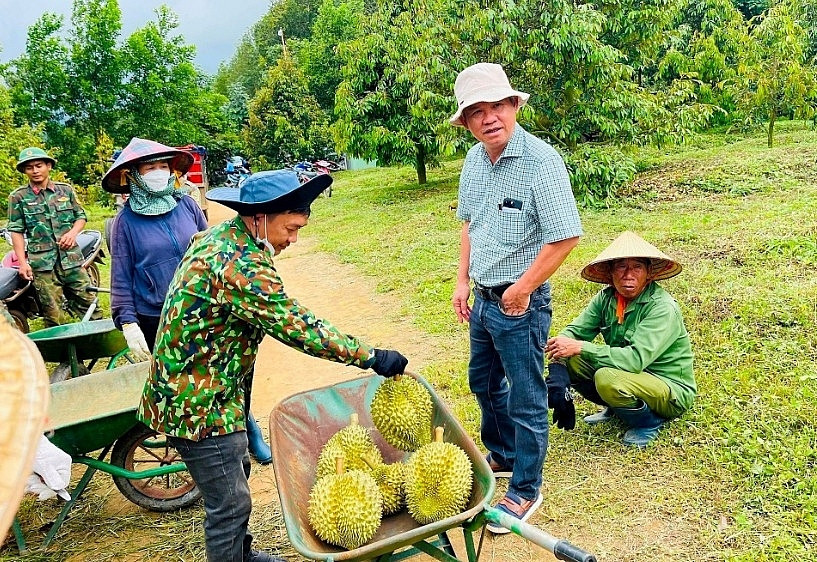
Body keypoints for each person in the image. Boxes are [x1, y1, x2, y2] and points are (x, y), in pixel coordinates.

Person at [137, 169, 409, 562]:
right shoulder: (240, 265)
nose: (292, 240)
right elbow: (299, 326)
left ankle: (242, 554)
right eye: (291, 228)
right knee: (229, 505)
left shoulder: (224, 238)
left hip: (208, 391)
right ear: (260, 217)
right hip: (197, 405)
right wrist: (371, 356)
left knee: (236, 477)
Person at [449, 63, 583, 533]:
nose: (490, 118)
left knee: (526, 397)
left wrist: (521, 289)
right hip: (482, 300)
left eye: (498, 106)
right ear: (466, 121)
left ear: (515, 106)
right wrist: (462, 280)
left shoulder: (541, 162)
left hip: (520, 305)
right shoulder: (472, 161)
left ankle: (525, 488)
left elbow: (565, 237)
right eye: (477, 111)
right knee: (483, 383)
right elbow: (470, 223)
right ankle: (503, 454)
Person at [103, 138, 272, 465]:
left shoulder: (187, 205)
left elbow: (214, 248)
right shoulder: (125, 223)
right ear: (135, 175)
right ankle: (207, 451)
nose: (158, 173)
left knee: (228, 374)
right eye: (150, 167)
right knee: (190, 387)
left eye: (163, 166)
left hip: (206, 309)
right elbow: (120, 275)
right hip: (159, 318)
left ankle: (247, 428)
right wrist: (126, 320)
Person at [545, 231, 696, 448]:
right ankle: (617, 408)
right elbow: (571, 334)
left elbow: (634, 360)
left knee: (607, 377)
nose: (628, 274)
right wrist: (559, 375)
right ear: (610, 272)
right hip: (629, 375)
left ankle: (648, 422)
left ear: (649, 274)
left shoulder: (662, 307)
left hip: (668, 387)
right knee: (572, 357)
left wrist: (581, 347)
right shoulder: (606, 298)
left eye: (637, 267)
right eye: (621, 267)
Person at [7, 147, 100, 326]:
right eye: (29, 168)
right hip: (43, 266)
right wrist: (23, 263)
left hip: (71, 260)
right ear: (25, 171)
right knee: (53, 315)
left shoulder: (65, 191)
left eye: (39, 165)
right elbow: (16, 230)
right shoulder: (18, 197)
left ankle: (99, 346)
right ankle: (65, 354)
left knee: (90, 305)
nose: (35, 171)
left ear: (48, 166)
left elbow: (80, 216)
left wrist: (72, 234)